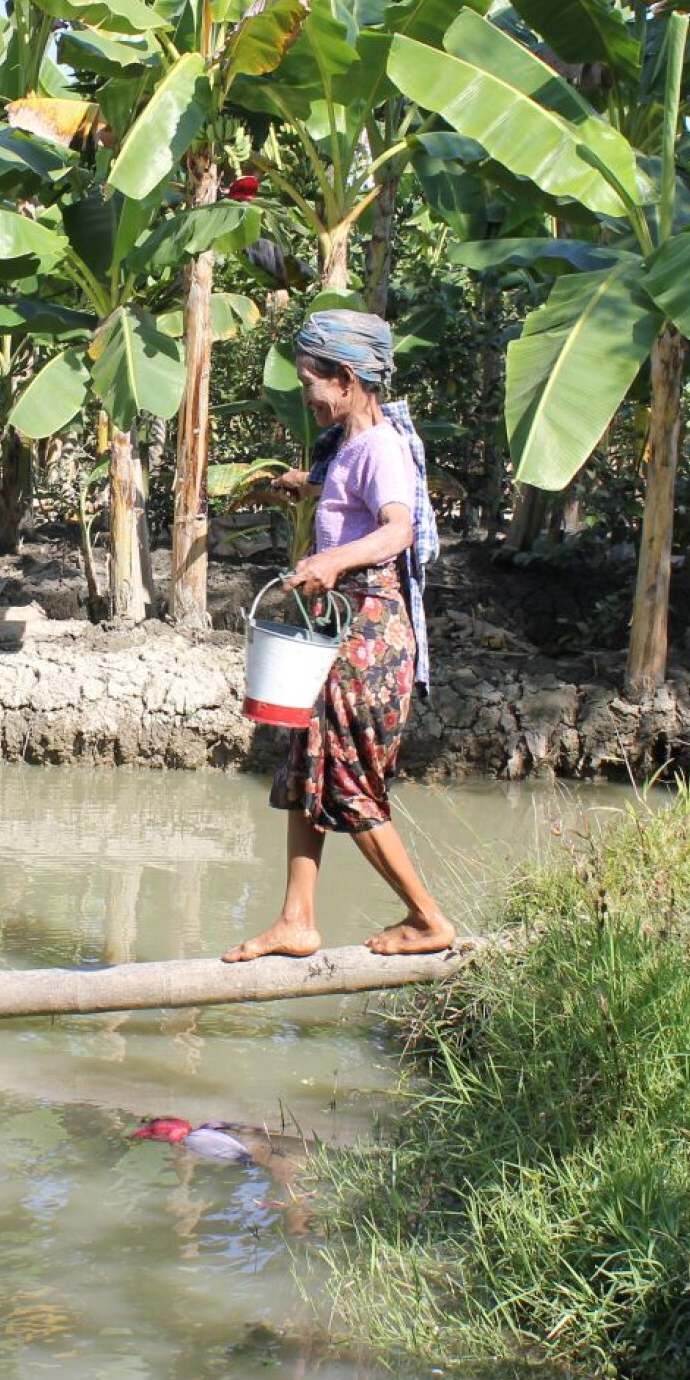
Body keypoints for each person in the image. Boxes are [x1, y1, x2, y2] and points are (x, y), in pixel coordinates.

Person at [225, 311, 457, 962]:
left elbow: (396, 529)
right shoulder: (350, 447)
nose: (305, 394)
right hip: (341, 632)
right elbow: (349, 493)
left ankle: (428, 916)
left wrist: (331, 560)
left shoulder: (382, 446)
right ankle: (296, 918)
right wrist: (306, 486)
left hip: (368, 638)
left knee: (350, 782)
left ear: (348, 378)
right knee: (307, 767)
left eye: (311, 381)